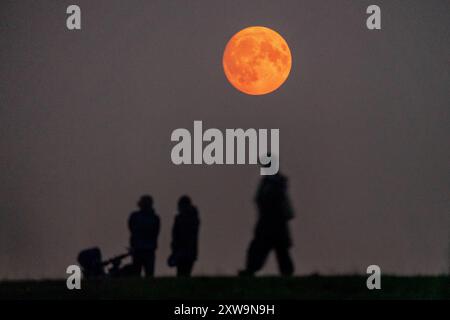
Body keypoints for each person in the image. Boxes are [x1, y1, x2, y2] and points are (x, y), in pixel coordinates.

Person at [240, 162, 295, 276]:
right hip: (270, 221)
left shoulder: (275, 183)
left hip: (273, 222)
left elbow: (269, 201)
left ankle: (252, 270)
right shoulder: (271, 182)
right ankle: (252, 269)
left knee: (276, 249)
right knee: (275, 249)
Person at [128, 195, 160, 277]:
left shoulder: (135, 216)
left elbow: (131, 228)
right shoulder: (155, 218)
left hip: (141, 248)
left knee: (138, 274)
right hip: (146, 248)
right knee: (146, 274)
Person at [168, 196, 200, 277]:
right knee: (185, 273)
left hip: (183, 250)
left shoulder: (181, 218)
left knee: (182, 273)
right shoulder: (194, 217)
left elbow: (176, 235)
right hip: (188, 250)